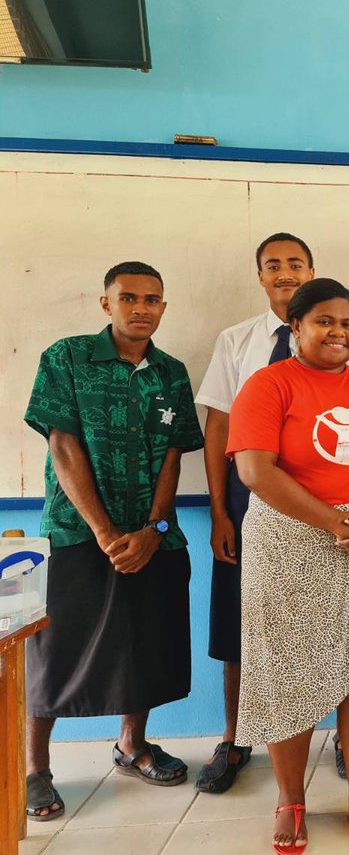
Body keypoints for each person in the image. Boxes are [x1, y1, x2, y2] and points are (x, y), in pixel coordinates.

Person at [227, 278, 349, 855]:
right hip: (291, 541)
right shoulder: (267, 385)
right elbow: (256, 472)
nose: (338, 332)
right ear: (296, 328)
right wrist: (337, 525)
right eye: (325, 322)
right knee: (289, 671)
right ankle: (290, 800)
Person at [23, 262, 204, 822]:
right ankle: (35, 769)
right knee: (53, 651)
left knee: (142, 644)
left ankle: (132, 745)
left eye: (153, 299)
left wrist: (154, 530)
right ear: (107, 304)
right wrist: (105, 532)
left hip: (153, 538)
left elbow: (173, 455)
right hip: (80, 534)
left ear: (164, 307)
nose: (141, 308)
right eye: (128, 298)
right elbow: (63, 447)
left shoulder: (170, 371)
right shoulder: (67, 358)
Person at [194, 232, 349, 793]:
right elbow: (219, 425)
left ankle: (343, 735)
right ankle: (236, 735)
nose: (285, 272)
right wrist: (221, 511)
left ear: (312, 270)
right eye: (274, 265)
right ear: (261, 276)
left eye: (296, 263)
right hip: (252, 501)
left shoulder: (341, 335)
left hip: (331, 501)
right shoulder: (238, 341)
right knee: (244, 620)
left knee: (339, 620)